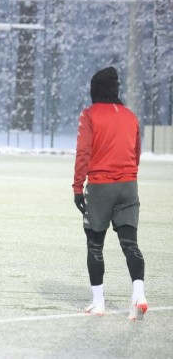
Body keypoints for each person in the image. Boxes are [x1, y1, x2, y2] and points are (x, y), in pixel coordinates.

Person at [73, 66, 147, 320]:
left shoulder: (90, 114)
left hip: (100, 186)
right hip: (129, 185)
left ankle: (99, 303)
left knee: (95, 245)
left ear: (95, 91)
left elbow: (84, 153)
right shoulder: (130, 115)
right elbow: (136, 154)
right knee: (130, 244)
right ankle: (139, 293)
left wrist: (76, 187)